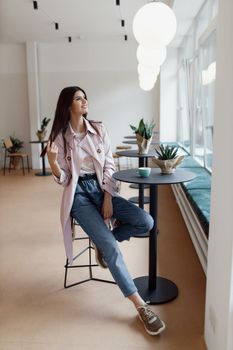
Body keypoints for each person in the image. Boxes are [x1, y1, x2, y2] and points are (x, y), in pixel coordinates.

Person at [46, 86, 166, 336]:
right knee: (112, 249)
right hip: (78, 195)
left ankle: (103, 243)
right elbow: (65, 178)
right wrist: (54, 164)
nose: (85, 101)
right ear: (68, 106)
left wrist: (109, 197)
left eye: (85, 97)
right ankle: (141, 306)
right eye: (79, 98)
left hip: (103, 189)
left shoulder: (98, 129)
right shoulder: (60, 136)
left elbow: (109, 165)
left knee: (146, 221)